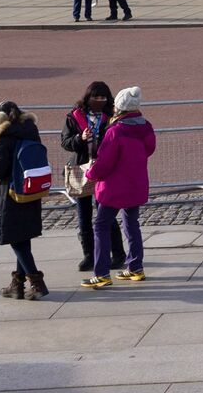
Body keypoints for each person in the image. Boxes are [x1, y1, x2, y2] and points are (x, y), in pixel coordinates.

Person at [81, 86, 156, 289]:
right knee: (132, 224)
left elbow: (104, 163)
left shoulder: (116, 131)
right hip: (136, 183)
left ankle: (102, 273)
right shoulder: (145, 126)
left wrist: (90, 173)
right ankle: (135, 267)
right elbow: (149, 149)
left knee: (101, 226)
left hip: (114, 187)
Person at [61, 81, 126, 273]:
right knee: (84, 217)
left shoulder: (111, 117)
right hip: (81, 168)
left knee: (106, 214)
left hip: (103, 169)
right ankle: (89, 254)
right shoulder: (74, 116)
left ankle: (118, 253)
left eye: (102, 98)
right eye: (95, 97)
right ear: (88, 97)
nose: (99, 101)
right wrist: (79, 138)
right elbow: (65, 142)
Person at [0, 101, 50, 300]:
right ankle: (17, 284)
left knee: (16, 239)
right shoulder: (31, 131)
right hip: (31, 190)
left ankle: (37, 282)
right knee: (23, 237)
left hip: (11, 192)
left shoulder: (5, 136)